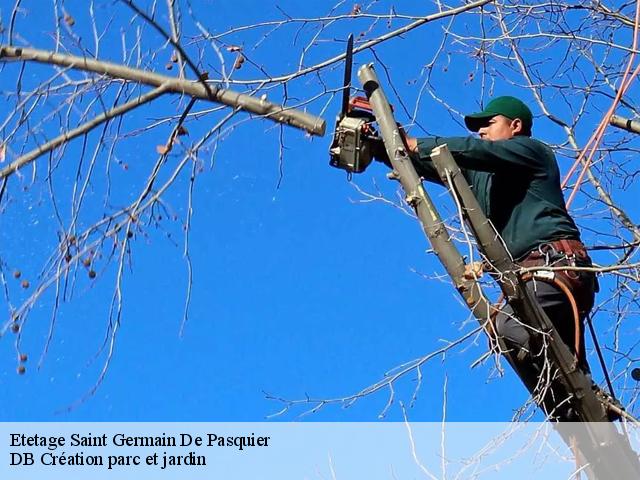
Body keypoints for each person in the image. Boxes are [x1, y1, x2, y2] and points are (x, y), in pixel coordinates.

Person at [375, 96, 598, 419]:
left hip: (555, 267)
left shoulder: (532, 152)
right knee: (544, 370)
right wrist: (385, 145)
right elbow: (434, 163)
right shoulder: (481, 177)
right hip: (529, 281)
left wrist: (414, 143)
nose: (481, 131)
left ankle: (584, 399)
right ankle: (583, 419)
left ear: (515, 126)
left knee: (510, 326)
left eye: (488, 123)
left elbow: (476, 152)